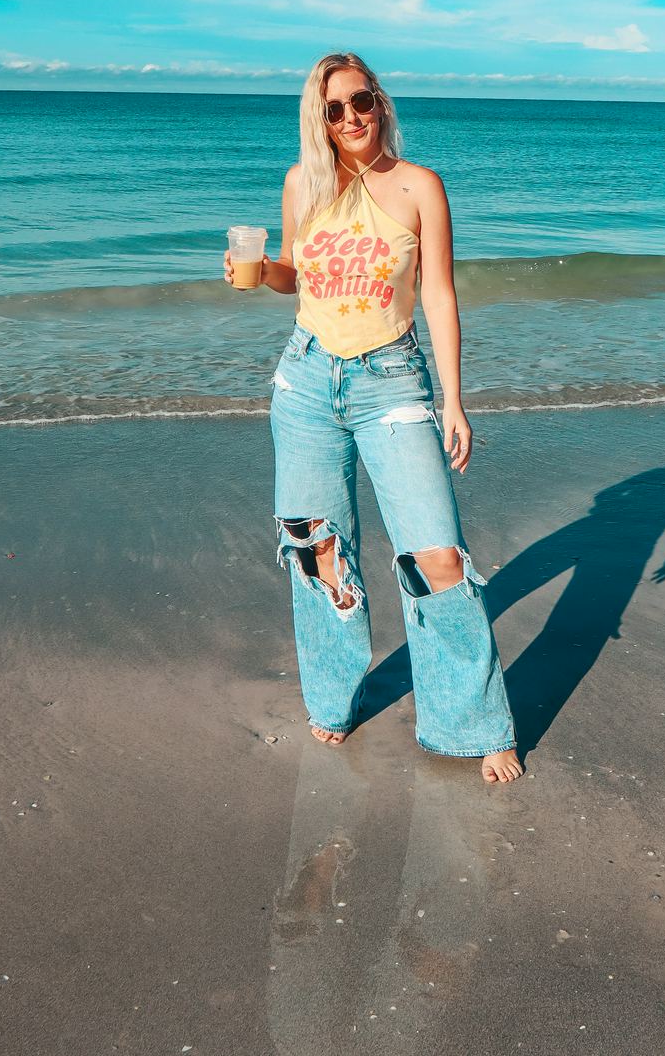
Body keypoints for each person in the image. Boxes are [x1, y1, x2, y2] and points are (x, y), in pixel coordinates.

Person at [223, 51, 523, 784]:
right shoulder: (303, 183)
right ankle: (333, 699)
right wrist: (258, 273)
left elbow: (439, 294)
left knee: (436, 555)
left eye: (361, 101)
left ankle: (473, 723)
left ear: (381, 102)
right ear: (319, 120)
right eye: (334, 109)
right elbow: (294, 273)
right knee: (318, 550)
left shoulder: (420, 186)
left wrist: (454, 400)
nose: (351, 117)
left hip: (392, 381)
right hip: (305, 381)